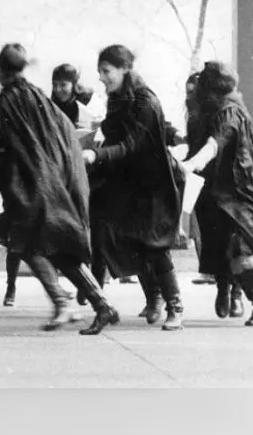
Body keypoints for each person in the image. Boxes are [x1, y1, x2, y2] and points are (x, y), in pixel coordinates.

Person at [0, 44, 119, 335]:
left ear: (2, 71)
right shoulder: (36, 95)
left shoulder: (9, 100)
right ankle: (102, 306)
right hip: (53, 183)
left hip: (34, 189)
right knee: (57, 250)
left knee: (24, 244)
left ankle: (63, 303)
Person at [82, 45, 186, 331]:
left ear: (124, 69)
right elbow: (111, 130)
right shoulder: (118, 98)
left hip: (153, 185)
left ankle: (175, 307)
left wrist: (95, 155)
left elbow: (131, 145)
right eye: (100, 72)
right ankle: (154, 297)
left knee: (154, 245)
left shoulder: (145, 101)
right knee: (130, 241)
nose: (101, 77)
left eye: (106, 71)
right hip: (129, 182)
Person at [181, 61, 253, 326]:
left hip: (240, 193)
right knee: (227, 252)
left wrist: (193, 163)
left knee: (242, 252)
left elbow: (217, 142)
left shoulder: (229, 111)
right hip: (217, 192)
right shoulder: (206, 113)